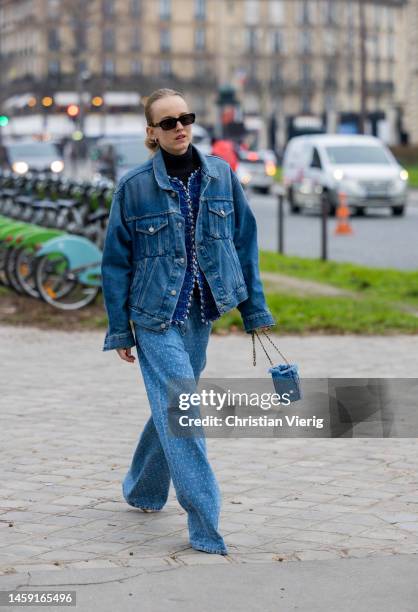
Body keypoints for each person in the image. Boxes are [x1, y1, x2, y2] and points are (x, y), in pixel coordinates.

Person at [101, 88, 276, 556]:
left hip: (201, 314)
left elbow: (244, 245)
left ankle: (141, 488)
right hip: (153, 317)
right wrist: (120, 328)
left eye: (186, 118)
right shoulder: (134, 187)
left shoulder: (221, 175)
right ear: (151, 134)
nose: (180, 127)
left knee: (172, 406)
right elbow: (115, 262)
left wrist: (254, 311)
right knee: (184, 410)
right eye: (168, 122)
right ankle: (205, 524)